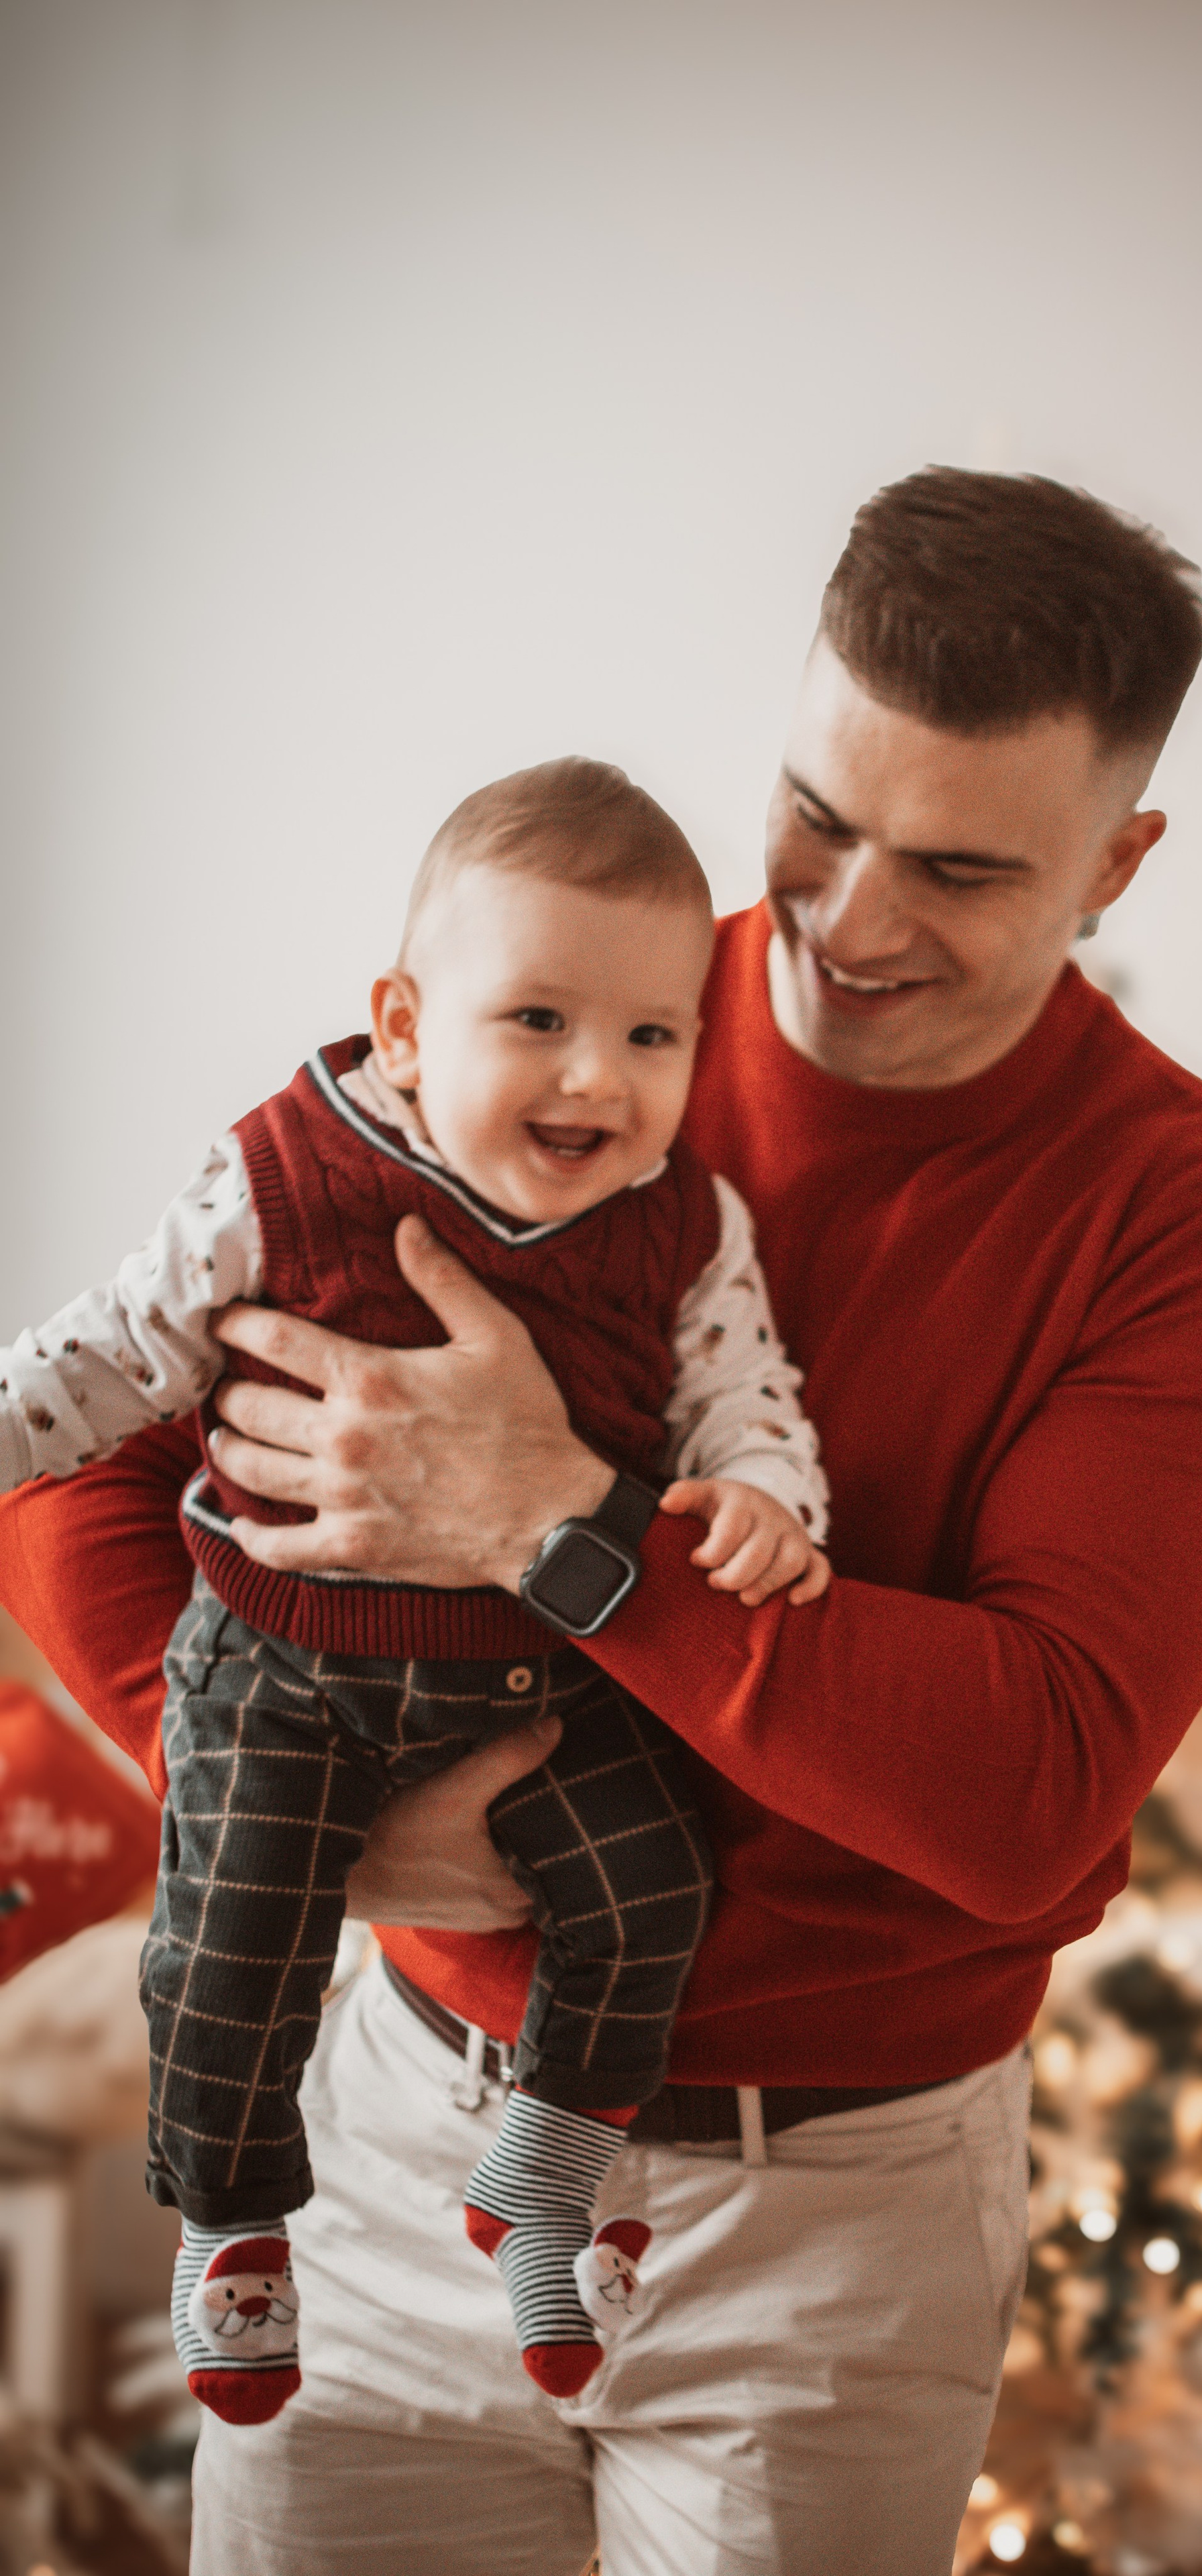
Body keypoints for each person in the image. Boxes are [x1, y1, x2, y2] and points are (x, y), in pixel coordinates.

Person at [0, 467, 1202, 2576]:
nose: (847, 920)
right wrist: (265, 1813)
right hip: (374, 2150)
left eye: (967, 867)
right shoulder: (564, 1003)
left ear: (1122, 860)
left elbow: (1031, 1783)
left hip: (832, 2227)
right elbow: (101, 1448)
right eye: (820, 817)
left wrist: (563, 1519)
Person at [0, 757, 829, 2420]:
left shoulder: (685, 1227)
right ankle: (234, 2229)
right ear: (401, 1027)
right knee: (233, 1950)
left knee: (647, 1897)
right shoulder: (280, 1181)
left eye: (653, 1036)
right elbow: (106, 1360)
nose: (599, 1076)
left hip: (538, 1680)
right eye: (537, 1019)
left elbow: (743, 1395)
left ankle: (542, 2176)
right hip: (283, 1666)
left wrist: (762, 1496)